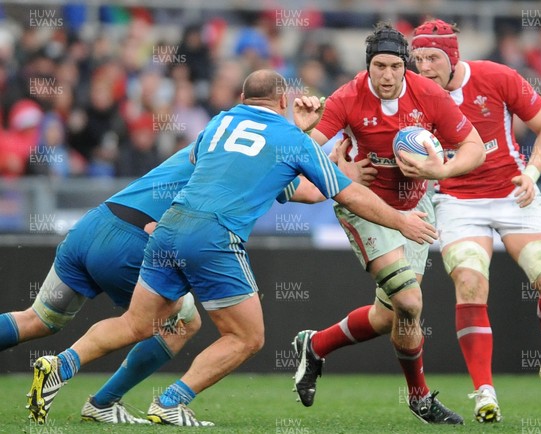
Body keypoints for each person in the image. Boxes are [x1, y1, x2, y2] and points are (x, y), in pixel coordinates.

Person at [26, 69, 438, 427]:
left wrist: (304, 134)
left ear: (242, 99)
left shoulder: (218, 124)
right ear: (283, 100)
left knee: (137, 324)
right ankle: (171, 402)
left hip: (169, 227)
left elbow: (259, 172)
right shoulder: (291, 138)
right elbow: (346, 195)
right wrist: (401, 219)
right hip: (215, 236)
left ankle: (61, 364)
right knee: (247, 337)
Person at [3, 139, 321, 425]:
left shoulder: (212, 139)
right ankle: (87, 386)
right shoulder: (250, 162)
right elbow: (312, 189)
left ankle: (95, 396)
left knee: (37, 319)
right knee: (182, 320)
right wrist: (342, 165)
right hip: (132, 239)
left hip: (92, 226)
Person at [292, 22, 485, 425]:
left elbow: (474, 148)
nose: (387, 76)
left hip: (414, 210)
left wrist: (443, 169)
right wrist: (334, 167)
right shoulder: (348, 96)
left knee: (392, 315)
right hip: (365, 208)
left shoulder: (429, 94)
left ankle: (315, 345)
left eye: (396, 67)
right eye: (379, 66)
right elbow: (303, 151)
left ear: (406, 67)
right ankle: (419, 398)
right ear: (368, 67)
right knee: (410, 301)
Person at [409, 18, 541, 422]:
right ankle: (484, 390)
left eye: (432, 58)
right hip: (457, 199)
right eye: (417, 58)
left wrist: (533, 173)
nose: (423, 67)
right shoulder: (413, 93)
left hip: (512, 191)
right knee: (470, 282)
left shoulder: (496, 76)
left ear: (453, 57)